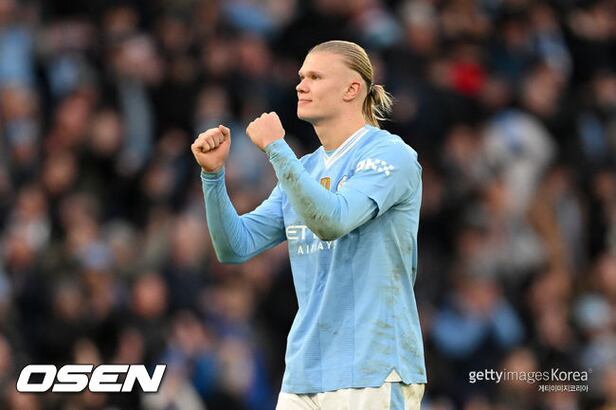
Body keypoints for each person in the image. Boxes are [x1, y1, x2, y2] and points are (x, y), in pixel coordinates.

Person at [191, 40, 426, 410]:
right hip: (304, 374)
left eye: (315, 77)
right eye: (301, 77)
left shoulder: (390, 155)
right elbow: (235, 246)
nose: (300, 86)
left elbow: (333, 220)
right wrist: (212, 176)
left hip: (373, 368)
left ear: (352, 89)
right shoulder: (306, 170)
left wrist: (276, 147)